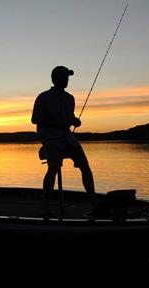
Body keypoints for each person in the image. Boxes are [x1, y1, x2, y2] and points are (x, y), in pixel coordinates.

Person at [32, 66, 96, 217]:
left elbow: (69, 117)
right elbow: (35, 119)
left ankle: (94, 203)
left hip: (67, 138)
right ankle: (46, 206)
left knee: (85, 166)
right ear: (54, 79)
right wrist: (58, 123)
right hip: (51, 138)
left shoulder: (70, 98)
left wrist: (74, 121)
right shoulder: (43, 97)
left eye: (67, 77)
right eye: (64, 77)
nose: (66, 80)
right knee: (53, 167)